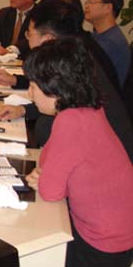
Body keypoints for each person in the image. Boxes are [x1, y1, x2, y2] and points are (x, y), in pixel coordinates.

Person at [24, 38, 133, 267]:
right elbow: (51, 162)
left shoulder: (70, 121)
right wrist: (47, 176)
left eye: (33, 86)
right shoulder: (89, 109)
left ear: (54, 89)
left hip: (102, 244)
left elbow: (50, 191)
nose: (29, 93)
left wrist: (44, 179)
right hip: (119, 233)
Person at [0, 0, 133, 161]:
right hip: (107, 151)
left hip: (111, 158)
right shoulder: (77, 52)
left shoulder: (74, 63)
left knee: (44, 126)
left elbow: (57, 117)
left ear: (47, 39)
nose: (27, 39)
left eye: (29, 34)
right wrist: (23, 110)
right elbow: (60, 100)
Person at [84, 0, 131, 87]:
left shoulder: (111, 42)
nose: (86, 5)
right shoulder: (97, 36)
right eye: (86, 2)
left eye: (91, 2)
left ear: (108, 7)